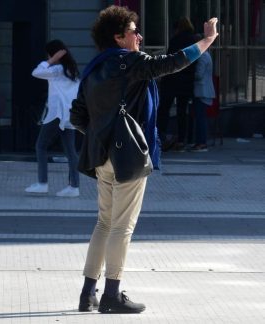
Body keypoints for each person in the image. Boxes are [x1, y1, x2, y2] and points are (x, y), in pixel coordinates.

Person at [70, 5, 218, 313]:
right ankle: (111, 293)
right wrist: (206, 41)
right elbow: (173, 63)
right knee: (122, 226)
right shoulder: (128, 63)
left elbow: (78, 117)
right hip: (127, 156)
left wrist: (104, 134)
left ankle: (87, 293)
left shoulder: (93, 68)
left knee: (104, 222)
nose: (139, 36)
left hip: (102, 156)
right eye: (134, 31)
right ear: (119, 37)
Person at [25, 40, 81, 197]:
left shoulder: (56, 69)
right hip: (71, 115)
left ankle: (42, 183)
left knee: (41, 146)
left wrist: (51, 60)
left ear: (54, 54)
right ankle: (74, 187)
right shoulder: (73, 71)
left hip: (57, 114)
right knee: (71, 151)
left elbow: (36, 72)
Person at [157, 17, 199, 152]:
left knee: (164, 109)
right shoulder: (193, 40)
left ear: (177, 28)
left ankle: (160, 137)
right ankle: (182, 140)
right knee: (182, 111)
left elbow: (170, 61)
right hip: (186, 82)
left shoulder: (175, 40)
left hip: (172, 80)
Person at [190, 48, 215, 152]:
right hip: (202, 91)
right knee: (201, 118)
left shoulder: (202, 56)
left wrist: (189, 75)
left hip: (201, 91)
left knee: (201, 118)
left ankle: (201, 143)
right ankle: (200, 142)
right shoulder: (206, 55)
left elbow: (199, 75)